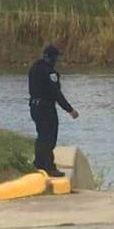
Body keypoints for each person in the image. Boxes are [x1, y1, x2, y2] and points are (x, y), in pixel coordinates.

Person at [28, 45, 79, 177]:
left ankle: (39, 163)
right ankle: (49, 167)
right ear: (50, 58)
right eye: (56, 57)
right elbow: (56, 93)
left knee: (42, 136)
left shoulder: (33, 68)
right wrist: (70, 110)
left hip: (34, 106)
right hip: (46, 108)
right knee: (50, 138)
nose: (57, 60)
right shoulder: (50, 72)